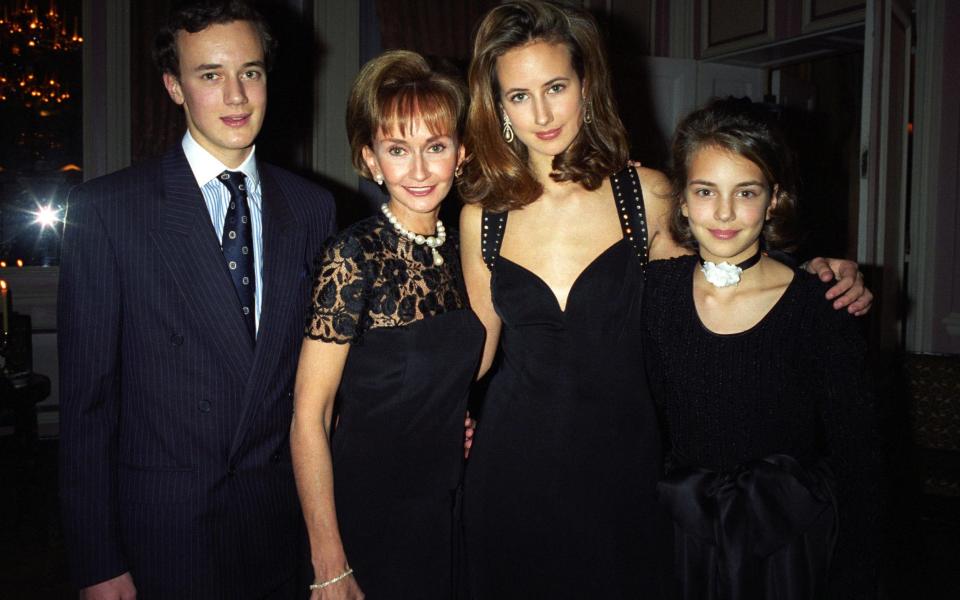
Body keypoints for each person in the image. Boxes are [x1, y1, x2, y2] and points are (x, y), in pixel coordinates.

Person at [456, 1, 873, 597]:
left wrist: (810, 277)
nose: (542, 113)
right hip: (511, 468)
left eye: (555, 86)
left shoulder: (645, 195)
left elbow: (721, 276)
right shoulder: (483, 216)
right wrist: (393, 409)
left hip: (625, 469)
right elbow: (475, 348)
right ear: (498, 105)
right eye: (519, 96)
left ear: (586, 84)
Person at [57, 1, 336, 598]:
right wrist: (98, 561)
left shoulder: (314, 209)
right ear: (174, 87)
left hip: (277, 530)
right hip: (162, 535)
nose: (236, 95)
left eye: (251, 72)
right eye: (210, 75)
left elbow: (328, 372)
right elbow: (87, 407)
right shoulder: (109, 212)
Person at [642, 98, 880, 600]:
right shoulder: (655, 295)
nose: (724, 213)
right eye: (705, 191)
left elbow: (859, 455)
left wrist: (855, 571)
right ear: (681, 199)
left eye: (746, 192)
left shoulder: (819, 304)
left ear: (773, 200)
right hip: (682, 537)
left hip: (789, 541)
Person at [291, 50, 482, 599]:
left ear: (461, 154)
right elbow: (310, 414)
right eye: (398, 150)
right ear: (371, 160)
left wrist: (451, 416)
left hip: (449, 501)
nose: (418, 170)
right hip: (374, 509)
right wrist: (329, 562)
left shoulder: (461, 249)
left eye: (436, 147)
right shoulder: (354, 254)